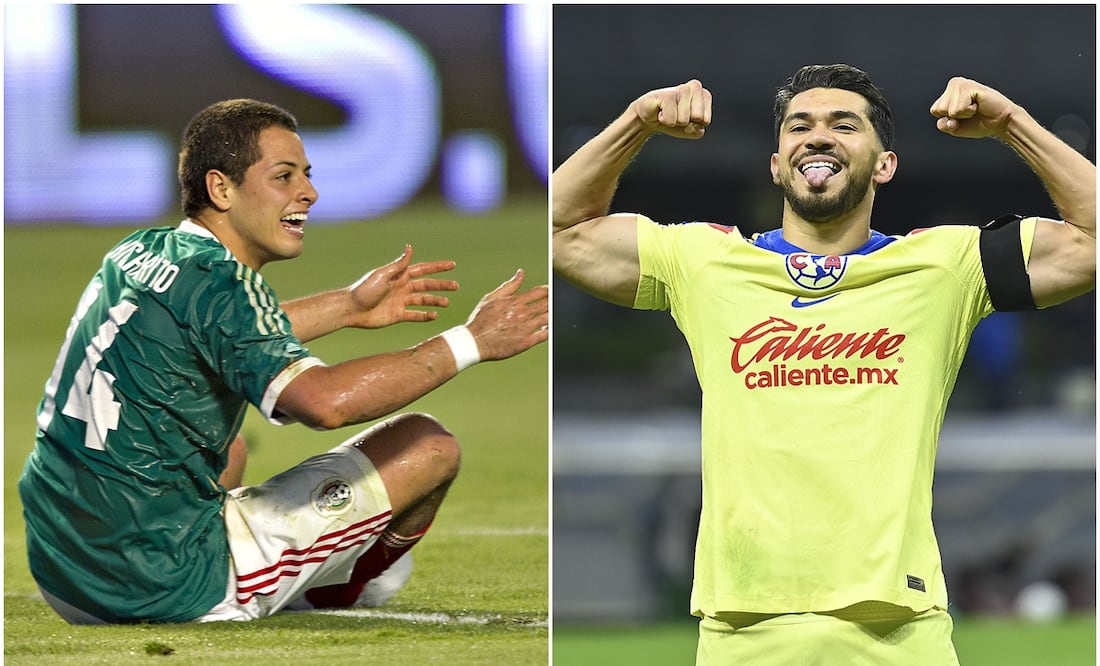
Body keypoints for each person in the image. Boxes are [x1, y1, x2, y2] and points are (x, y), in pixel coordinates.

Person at [552, 64, 1094, 663]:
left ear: (884, 165)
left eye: (845, 125)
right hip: (745, 628)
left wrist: (1010, 123)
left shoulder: (944, 266)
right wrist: (637, 122)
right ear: (777, 165)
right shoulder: (704, 261)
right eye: (798, 126)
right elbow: (560, 230)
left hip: (898, 629)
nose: (818, 135)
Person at [19, 98, 549, 624]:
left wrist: (347, 305)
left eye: (307, 174)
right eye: (284, 176)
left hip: (61, 562)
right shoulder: (223, 284)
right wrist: (471, 341)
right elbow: (322, 403)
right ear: (220, 188)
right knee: (427, 446)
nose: (309, 192)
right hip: (154, 581)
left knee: (230, 449)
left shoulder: (141, 250)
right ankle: (325, 591)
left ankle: (263, 565)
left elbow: (216, 334)